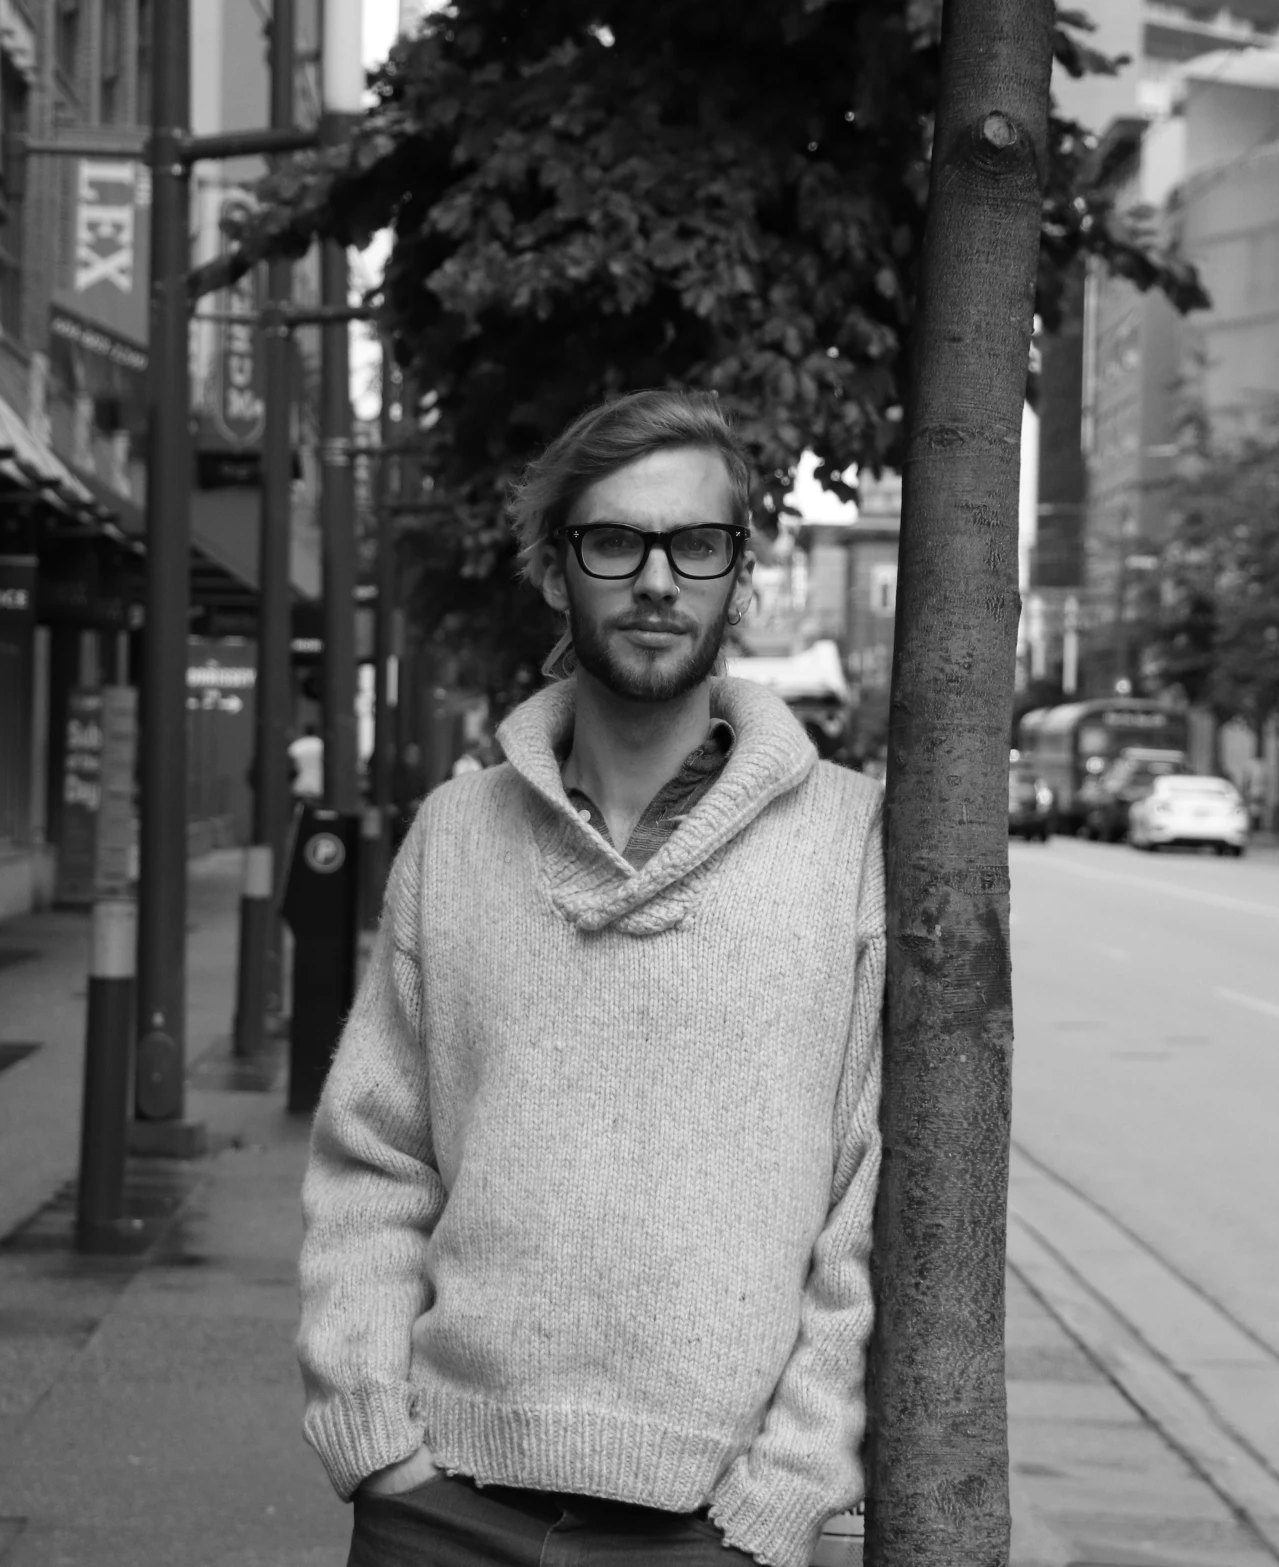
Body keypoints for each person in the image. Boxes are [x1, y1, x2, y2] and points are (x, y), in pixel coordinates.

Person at [296, 390, 884, 1567]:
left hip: (712, 1528)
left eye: (696, 543)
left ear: (738, 571)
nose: (657, 580)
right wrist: (378, 1440)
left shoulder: (848, 842)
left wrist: (784, 1495)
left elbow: (870, 1197)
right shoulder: (456, 834)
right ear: (558, 572)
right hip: (443, 1506)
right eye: (613, 541)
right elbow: (375, 1154)